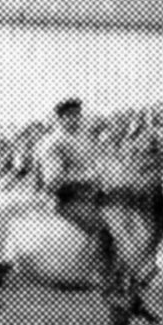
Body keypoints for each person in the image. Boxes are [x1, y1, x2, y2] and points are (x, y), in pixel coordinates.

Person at [35, 97, 121, 300]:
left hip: (87, 196)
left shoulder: (82, 138)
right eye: (70, 116)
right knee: (103, 226)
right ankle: (101, 277)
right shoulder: (53, 143)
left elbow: (95, 167)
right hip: (63, 200)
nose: (75, 119)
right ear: (60, 118)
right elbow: (53, 181)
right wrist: (88, 178)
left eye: (77, 115)